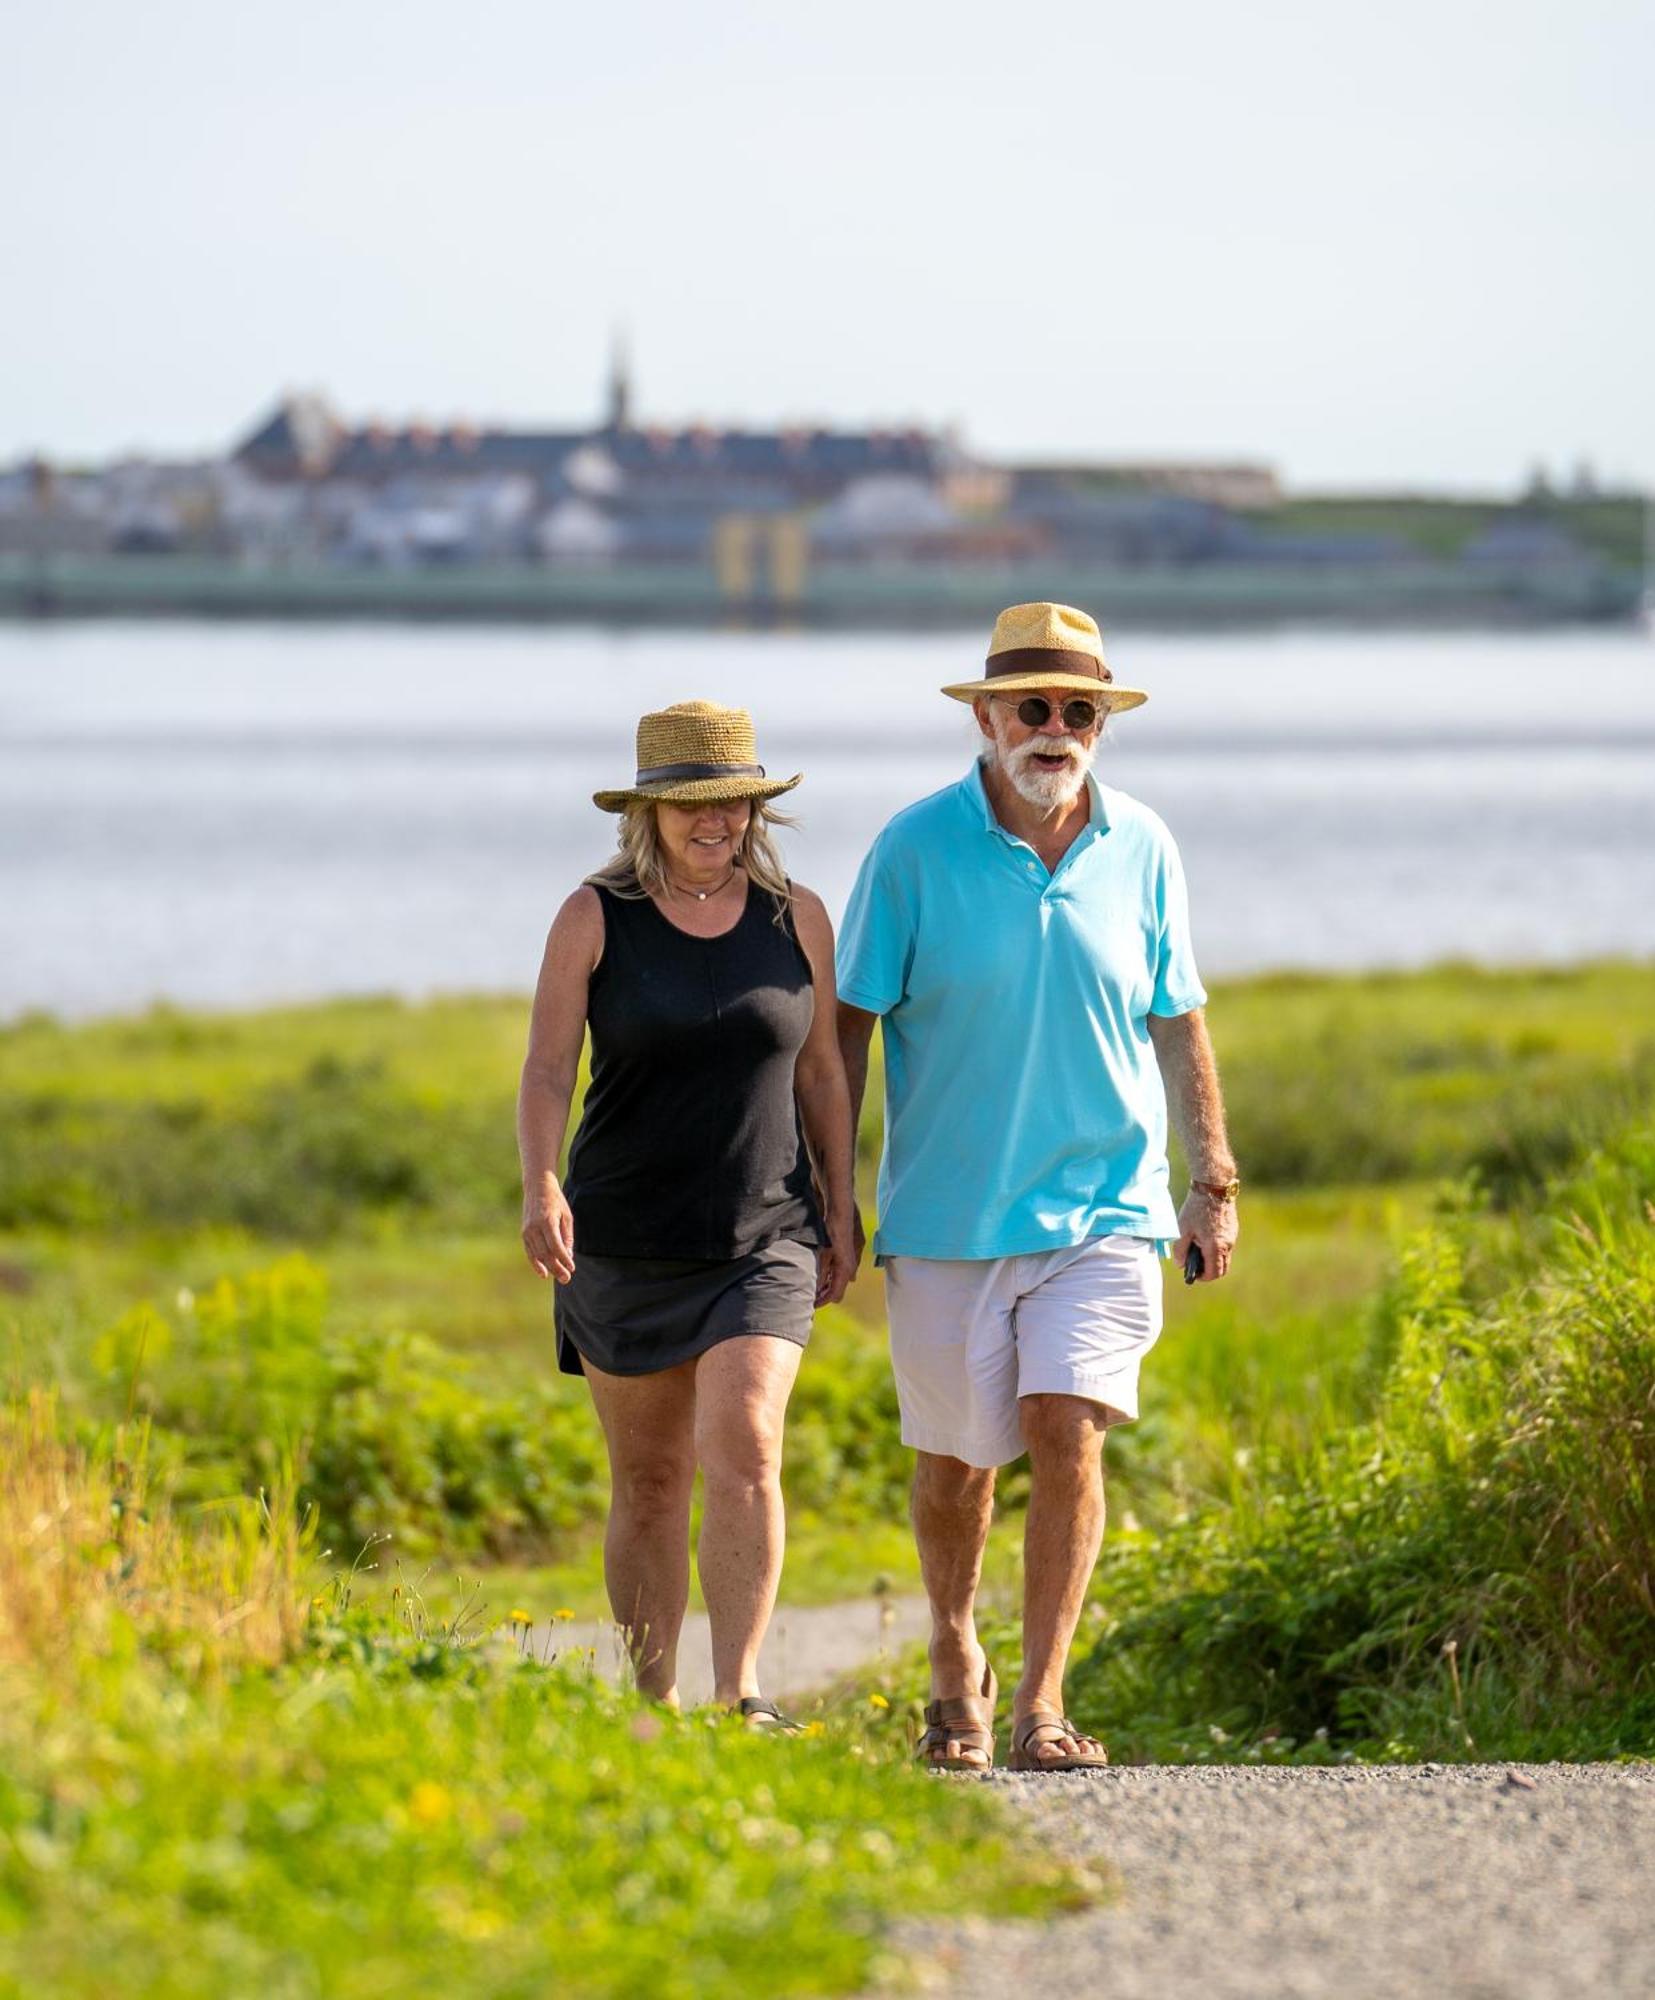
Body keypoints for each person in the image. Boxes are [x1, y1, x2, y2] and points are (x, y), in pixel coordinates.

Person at [835, 602, 1239, 1772]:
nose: (1054, 728)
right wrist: (828, 1188)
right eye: (1033, 707)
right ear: (987, 716)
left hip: (1109, 1204)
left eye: (1078, 710)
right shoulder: (911, 849)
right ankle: (954, 1652)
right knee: (957, 1465)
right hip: (949, 1214)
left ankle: (1042, 1704)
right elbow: (845, 1027)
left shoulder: (1144, 844)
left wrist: (1208, 1177)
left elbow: (1179, 1017)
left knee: (1068, 1430)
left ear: (1101, 722)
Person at [518, 700, 857, 1725]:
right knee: (651, 1480)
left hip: (765, 1235)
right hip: (620, 1237)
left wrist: (841, 1204)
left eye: (735, 802)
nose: (718, 821)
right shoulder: (592, 915)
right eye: (693, 807)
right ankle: (652, 1698)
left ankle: (740, 1689)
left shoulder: (794, 913)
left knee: (746, 1444)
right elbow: (545, 1071)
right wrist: (540, 1183)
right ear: (648, 813)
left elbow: (823, 1072)